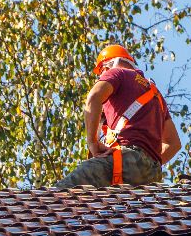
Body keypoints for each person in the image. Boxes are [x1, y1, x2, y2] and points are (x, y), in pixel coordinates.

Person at [58, 44, 181, 189]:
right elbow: (174, 144)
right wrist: (147, 163)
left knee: (61, 192)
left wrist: (93, 142)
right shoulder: (156, 95)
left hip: (124, 160)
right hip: (152, 175)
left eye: (102, 72)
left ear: (107, 66)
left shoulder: (117, 73)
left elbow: (94, 98)